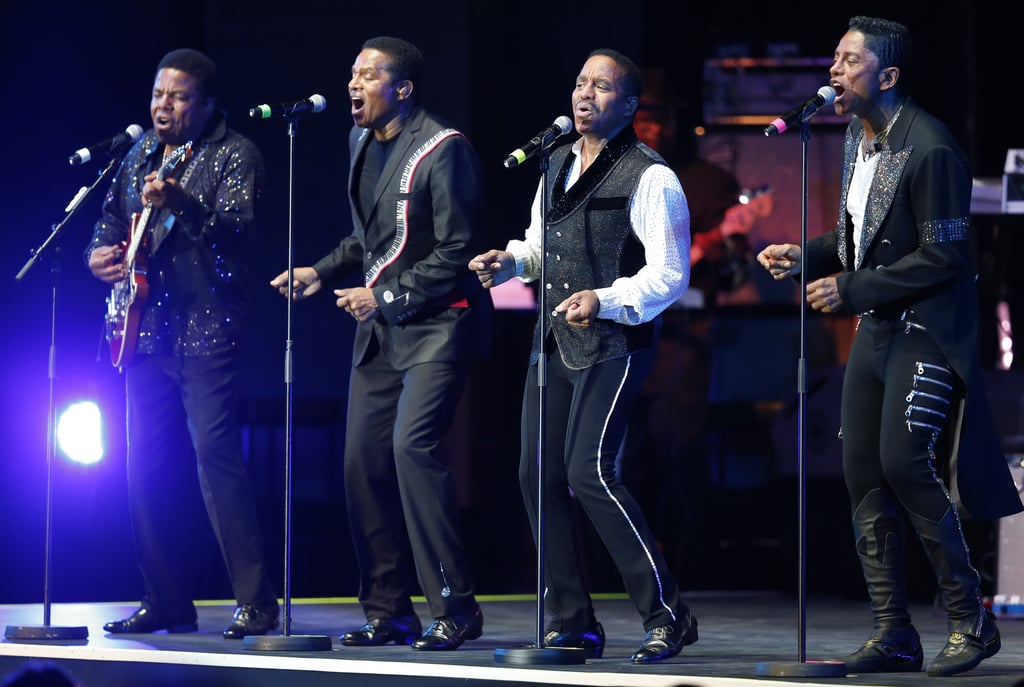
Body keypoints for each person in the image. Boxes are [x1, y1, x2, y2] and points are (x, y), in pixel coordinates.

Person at [756, 16, 1024, 677]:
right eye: (835, 59)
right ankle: (893, 632)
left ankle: (969, 617)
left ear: (888, 75)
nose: (835, 71)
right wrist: (808, 254)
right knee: (862, 472)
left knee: (905, 463)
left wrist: (850, 287)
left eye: (850, 61)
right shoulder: (858, 138)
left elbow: (944, 256)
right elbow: (860, 236)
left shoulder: (930, 148)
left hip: (927, 329)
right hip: (876, 329)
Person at [468, 47, 696, 664]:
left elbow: (670, 274)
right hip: (553, 341)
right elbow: (540, 248)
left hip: (616, 342)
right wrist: (509, 262)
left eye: (601, 86)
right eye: (579, 83)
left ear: (629, 104)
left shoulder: (651, 176)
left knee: (589, 472)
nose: (584, 94)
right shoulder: (556, 163)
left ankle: (667, 614)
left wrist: (606, 298)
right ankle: (573, 621)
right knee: (535, 475)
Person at [270, 36, 493, 652]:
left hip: (439, 327)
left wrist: (385, 297)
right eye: (353, 73)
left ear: (403, 89)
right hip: (381, 335)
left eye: (369, 75)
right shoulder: (360, 140)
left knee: (411, 450)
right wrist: (321, 270)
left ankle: (456, 606)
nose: (354, 83)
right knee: (361, 464)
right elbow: (369, 237)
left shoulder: (443, 149)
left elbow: (458, 249)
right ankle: (390, 610)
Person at [86, 48, 279, 639]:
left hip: (207, 329)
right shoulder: (140, 151)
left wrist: (183, 203)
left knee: (216, 462)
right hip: (144, 329)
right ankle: (165, 599)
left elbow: (238, 236)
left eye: (178, 96)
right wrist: (99, 255)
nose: (163, 106)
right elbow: (110, 219)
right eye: (158, 94)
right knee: (142, 467)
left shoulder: (235, 154)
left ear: (207, 104)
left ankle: (256, 601)